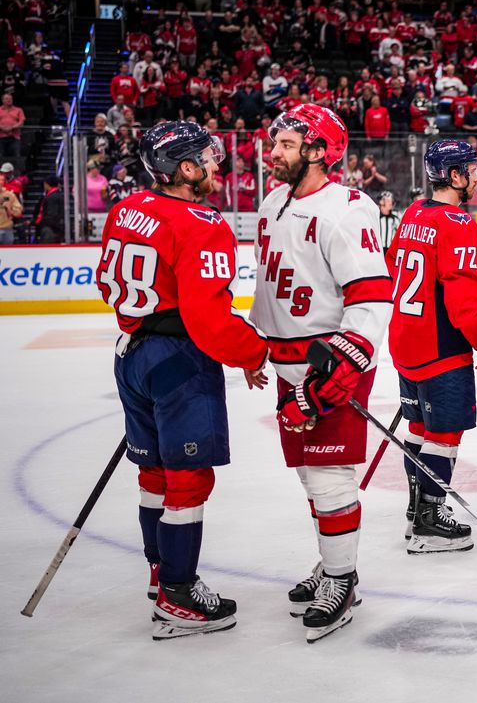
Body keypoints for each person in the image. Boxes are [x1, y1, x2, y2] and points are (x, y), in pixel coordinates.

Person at [97, 120, 269, 639]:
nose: (217, 165)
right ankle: (178, 593)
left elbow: (111, 286)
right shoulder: (202, 222)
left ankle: (159, 572)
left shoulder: (125, 208)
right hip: (179, 361)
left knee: (153, 475)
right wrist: (253, 352)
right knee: (189, 479)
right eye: (207, 159)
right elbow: (210, 321)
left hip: (131, 355)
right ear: (186, 169)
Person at [249, 104, 391, 642]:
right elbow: (271, 286)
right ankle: (332, 561)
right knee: (310, 475)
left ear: (318, 151)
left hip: (330, 363)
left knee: (331, 476)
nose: (273, 153)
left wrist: (337, 373)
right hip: (285, 363)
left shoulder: (347, 208)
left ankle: (341, 578)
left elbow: (372, 295)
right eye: (275, 142)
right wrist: (256, 348)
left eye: (285, 144)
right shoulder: (271, 202)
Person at [386, 140, 477, 553]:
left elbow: (397, 264)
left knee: (418, 427)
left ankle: (417, 509)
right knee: (444, 430)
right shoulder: (459, 222)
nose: (475, 177)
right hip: (440, 342)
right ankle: (429, 518)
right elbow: (463, 300)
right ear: (453, 176)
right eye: (469, 169)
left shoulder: (413, 212)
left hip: (405, 338)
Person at [34, 175, 63, 243]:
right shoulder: (59, 195)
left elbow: (51, 214)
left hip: (51, 230)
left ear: (47, 184)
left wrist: (43, 223)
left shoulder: (51, 197)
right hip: (56, 228)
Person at [0, 163, 21, 243]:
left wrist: (10, 210)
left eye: (2, 180)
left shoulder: (10, 194)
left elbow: (18, 211)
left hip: (7, 228)